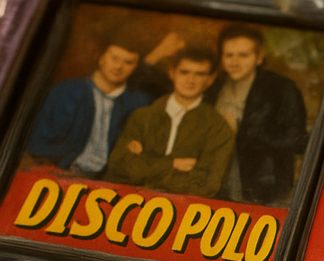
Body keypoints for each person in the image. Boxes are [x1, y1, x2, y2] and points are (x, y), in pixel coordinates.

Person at [107, 47, 233, 198]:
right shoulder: (141, 117)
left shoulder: (218, 127)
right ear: (172, 73)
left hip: (182, 208)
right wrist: (172, 164)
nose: (190, 80)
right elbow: (118, 168)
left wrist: (145, 167)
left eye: (199, 74)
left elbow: (207, 186)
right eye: (184, 72)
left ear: (210, 79)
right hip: (131, 202)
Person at [205, 26, 308, 205]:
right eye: (229, 55)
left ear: (259, 57)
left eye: (243, 55)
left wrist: (242, 131)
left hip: (262, 187)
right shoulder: (214, 85)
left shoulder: (281, 88)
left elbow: (298, 141)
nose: (234, 62)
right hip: (214, 181)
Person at [25, 34, 148, 175]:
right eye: (114, 58)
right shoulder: (67, 92)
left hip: (108, 179)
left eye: (128, 62)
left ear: (135, 67)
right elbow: (37, 142)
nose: (119, 67)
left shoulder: (139, 102)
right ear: (101, 58)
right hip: (61, 172)